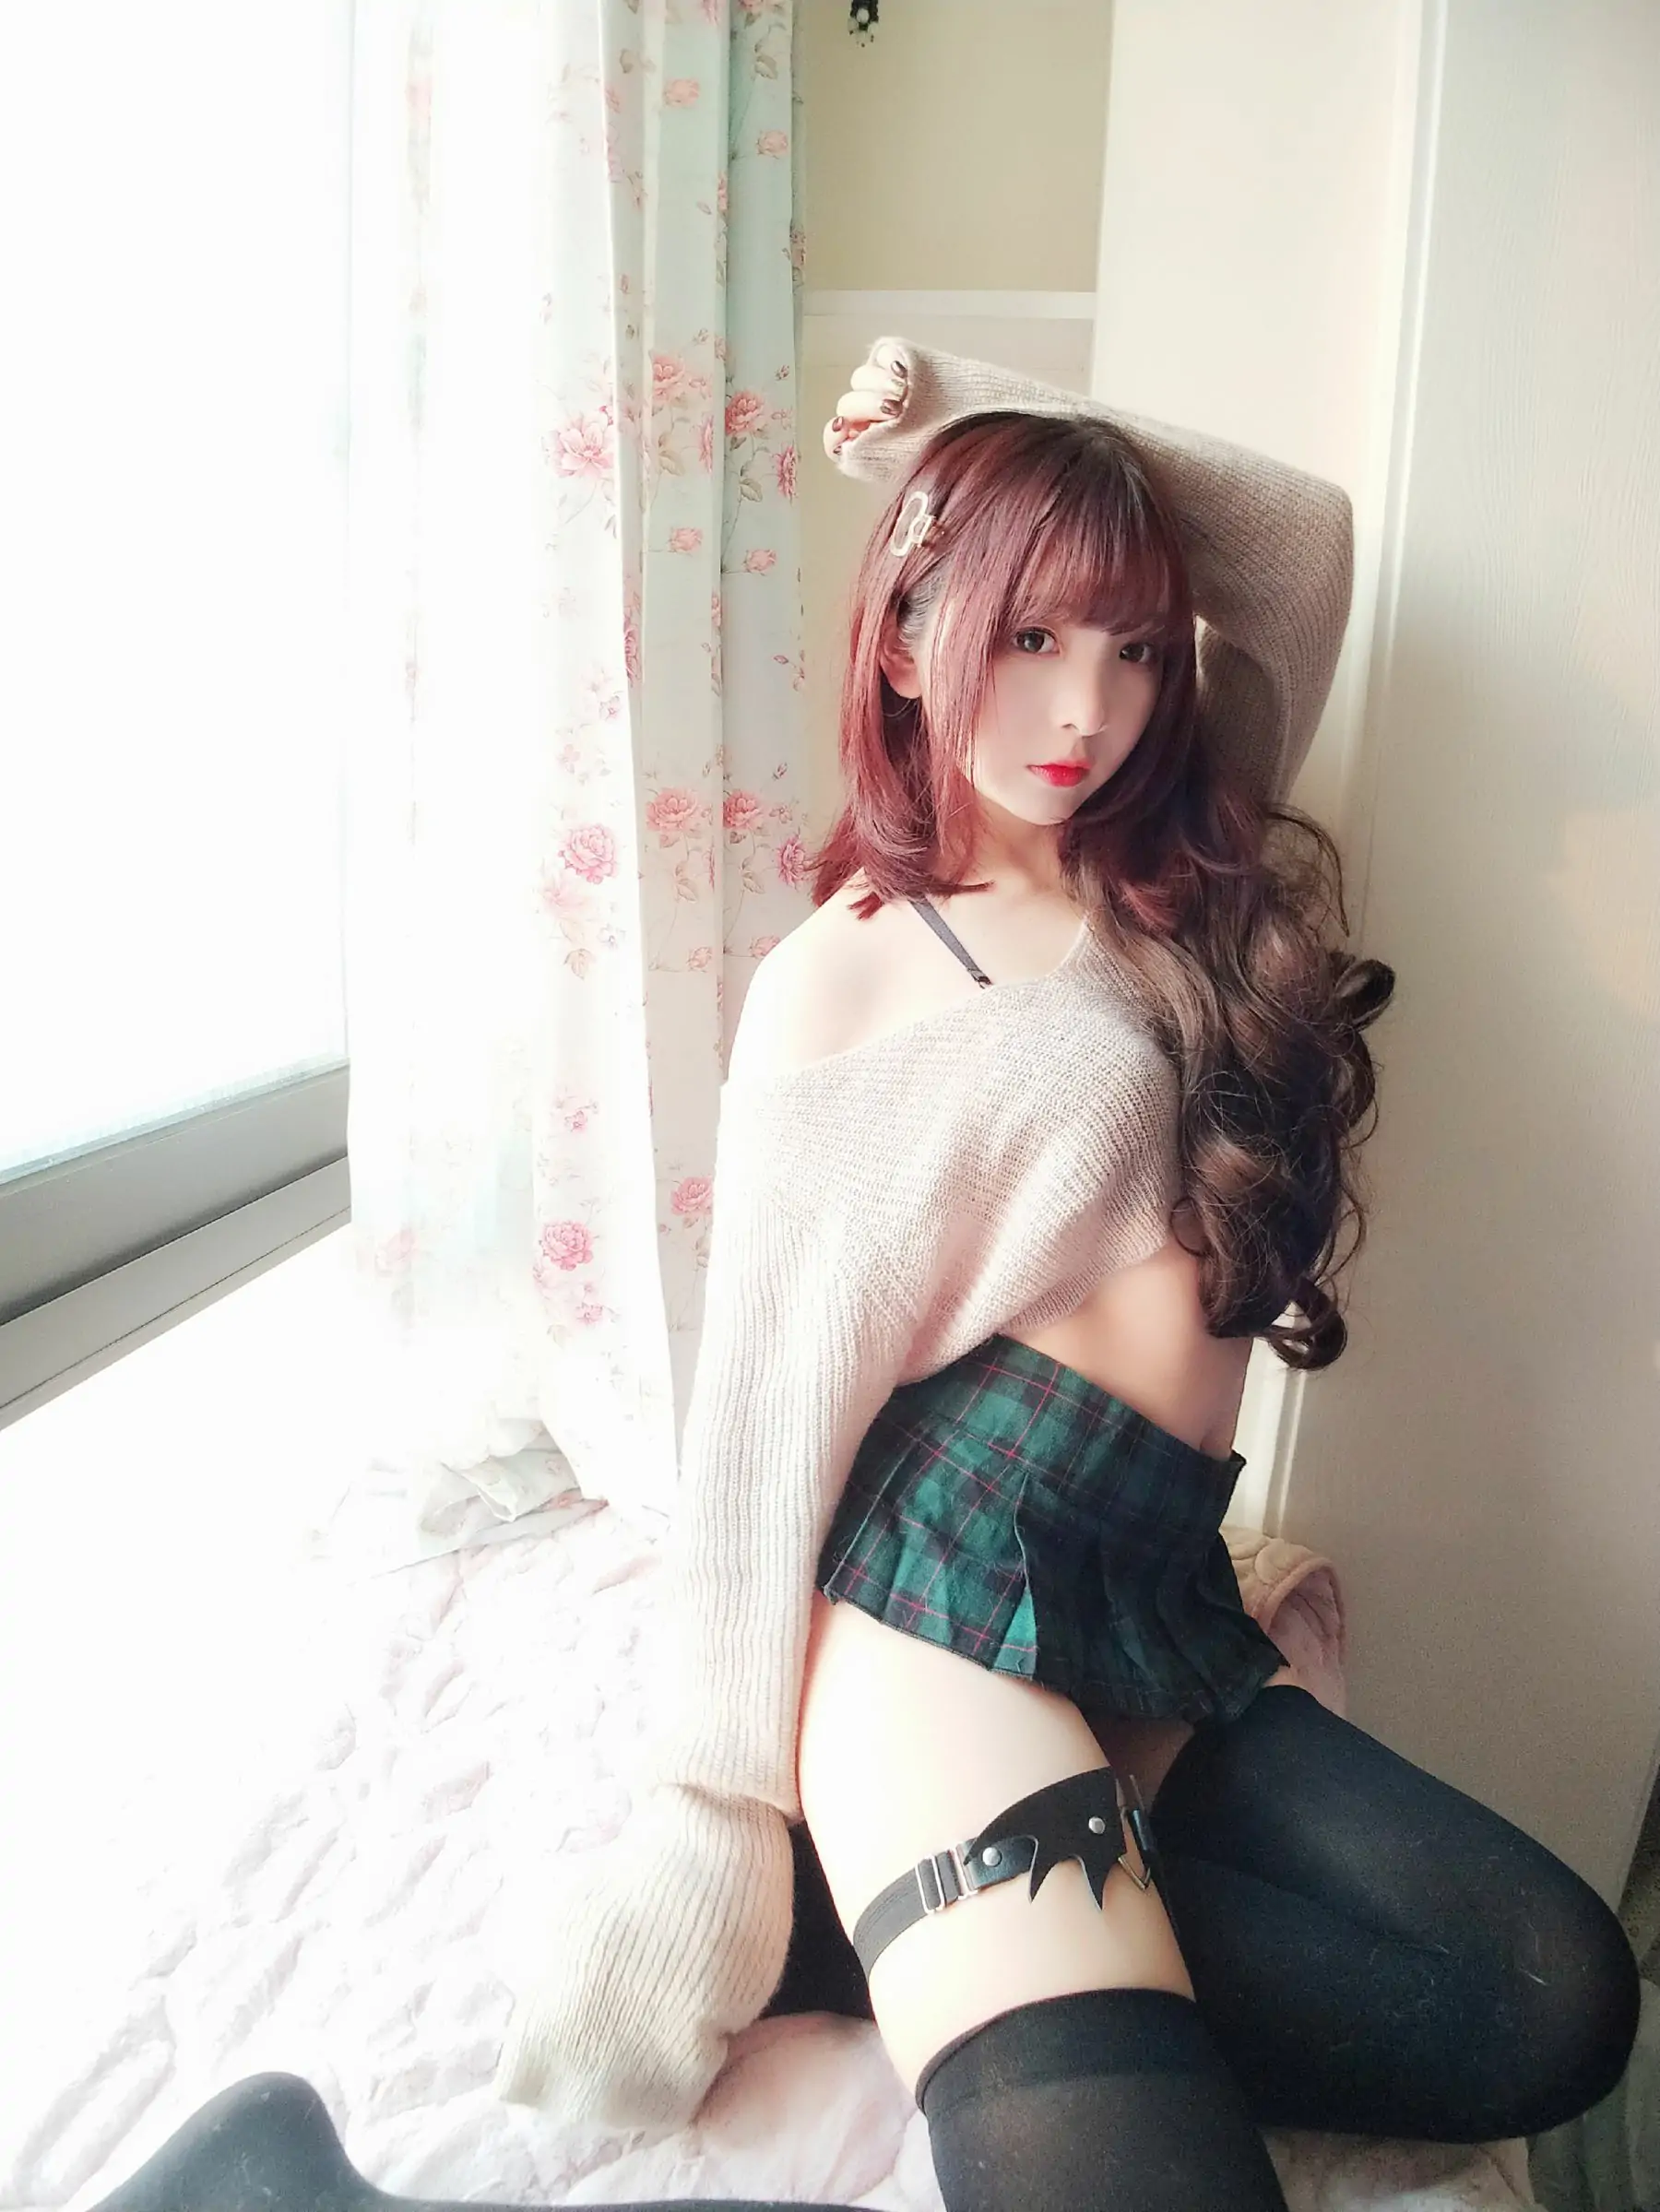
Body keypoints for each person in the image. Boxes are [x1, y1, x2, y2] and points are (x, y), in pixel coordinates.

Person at [87, 340, 1642, 2212]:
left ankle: (890, 1929)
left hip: (1148, 1577)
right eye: (1026, 636)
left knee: (1554, 1996)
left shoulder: (1172, 858)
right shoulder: (843, 979)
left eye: (1132, 648)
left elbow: (1300, 544)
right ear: (907, 641)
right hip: (943, 1601)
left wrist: (967, 415)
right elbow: (762, 1435)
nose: (1086, 706)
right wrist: (715, 1812)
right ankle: (280, 2189)